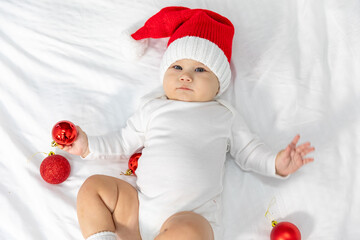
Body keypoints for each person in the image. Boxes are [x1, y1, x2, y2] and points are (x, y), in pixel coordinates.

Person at [60, 6, 315, 240]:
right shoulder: (154, 107)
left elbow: (249, 152)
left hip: (190, 218)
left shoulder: (224, 115)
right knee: (94, 187)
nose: (186, 77)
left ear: (219, 82)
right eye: (177, 67)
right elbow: (123, 141)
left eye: (200, 70)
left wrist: (276, 163)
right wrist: (87, 145)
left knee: (191, 230)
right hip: (138, 211)